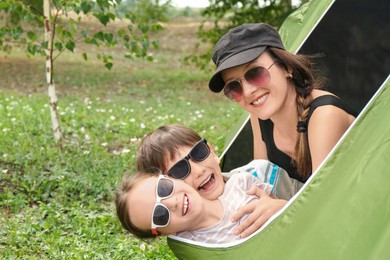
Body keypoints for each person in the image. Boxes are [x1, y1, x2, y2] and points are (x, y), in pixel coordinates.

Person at [208, 23, 357, 184]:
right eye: (234, 87)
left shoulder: (325, 116)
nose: (248, 91)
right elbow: (263, 185)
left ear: (286, 67)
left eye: (255, 72)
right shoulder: (259, 118)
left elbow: (323, 199)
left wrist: (279, 204)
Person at [136, 124, 289, 238]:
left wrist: (280, 206)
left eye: (199, 153)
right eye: (179, 170)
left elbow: (303, 205)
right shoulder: (187, 236)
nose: (199, 171)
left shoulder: (252, 179)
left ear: (211, 150)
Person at [115, 160, 275, 244]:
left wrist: (276, 206)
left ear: (169, 177)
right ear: (164, 233)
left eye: (163, 188)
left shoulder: (241, 183)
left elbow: (295, 207)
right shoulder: (197, 247)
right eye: (159, 214)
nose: (172, 203)